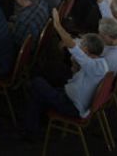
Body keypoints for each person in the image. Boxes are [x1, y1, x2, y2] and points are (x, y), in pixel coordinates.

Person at [22, 12, 108, 140]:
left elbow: (72, 47)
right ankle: (32, 128)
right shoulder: (101, 63)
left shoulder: (93, 67)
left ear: (86, 51)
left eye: (81, 45)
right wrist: (75, 67)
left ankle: (31, 129)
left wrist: (57, 25)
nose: (79, 46)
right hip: (72, 96)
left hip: (71, 105)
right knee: (38, 93)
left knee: (37, 82)